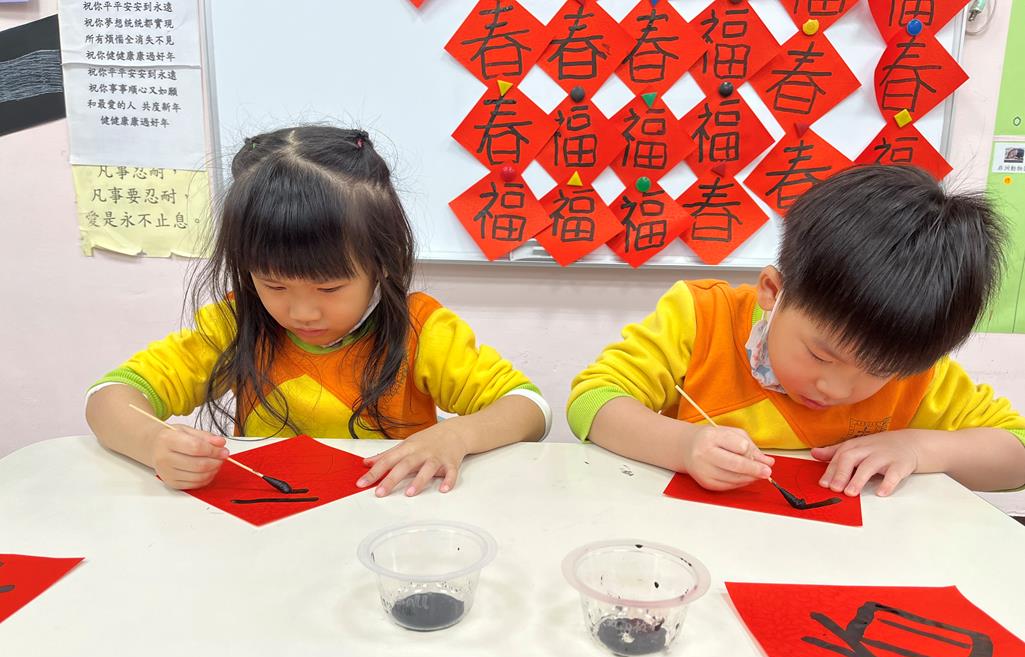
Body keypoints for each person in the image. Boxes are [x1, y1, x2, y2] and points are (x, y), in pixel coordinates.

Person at [86, 126, 549, 496]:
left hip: (389, 524)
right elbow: (108, 397)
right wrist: (153, 442)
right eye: (273, 285)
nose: (303, 311)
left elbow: (530, 408)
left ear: (382, 263)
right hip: (271, 529)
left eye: (329, 287)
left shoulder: (420, 329)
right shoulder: (235, 323)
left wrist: (457, 436)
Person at [568, 165, 1025, 497]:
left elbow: (1016, 455)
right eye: (822, 356)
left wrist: (919, 447)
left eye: (877, 372)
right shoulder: (702, 316)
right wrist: (683, 446)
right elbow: (593, 401)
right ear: (772, 291)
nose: (836, 389)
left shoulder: (912, 366)